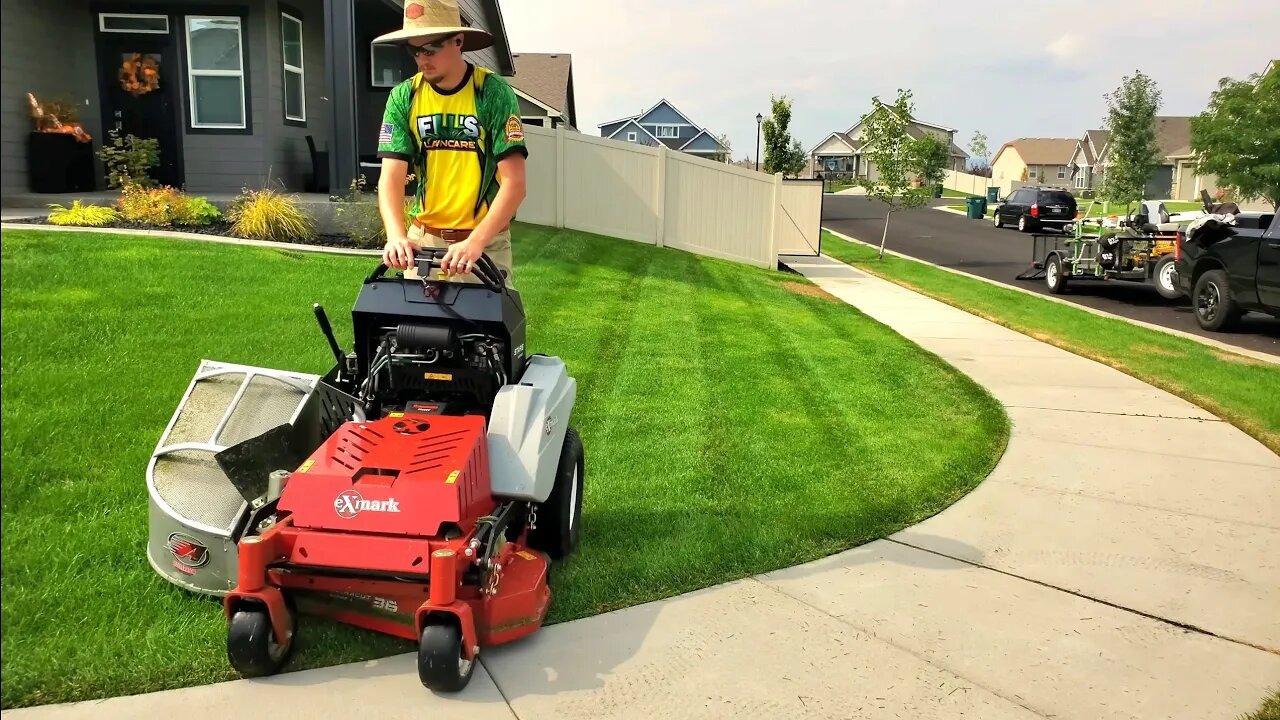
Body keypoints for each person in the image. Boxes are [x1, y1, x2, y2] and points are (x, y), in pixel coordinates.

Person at [372, 0, 527, 286]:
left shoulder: (492, 93)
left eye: (431, 48)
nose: (422, 59)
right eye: (415, 50)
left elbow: (514, 184)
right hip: (424, 241)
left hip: (483, 243)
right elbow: (390, 178)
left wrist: (476, 241)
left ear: (458, 41)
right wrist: (396, 236)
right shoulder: (404, 97)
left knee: (485, 330)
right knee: (414, 330)